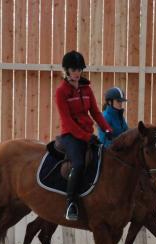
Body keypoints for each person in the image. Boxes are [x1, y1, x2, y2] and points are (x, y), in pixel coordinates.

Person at [55, 50, 113, 221]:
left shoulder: (86, 89)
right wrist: (86, 137)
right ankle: (71, 203)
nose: (77, 73)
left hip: (87, 133)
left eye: (79, 69)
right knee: (79, 164)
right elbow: (67, 120)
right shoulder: (61, 92)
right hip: (70, 135)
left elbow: (95, 112)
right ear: (66, 70)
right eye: (74, 69)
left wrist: (107, 129)